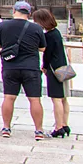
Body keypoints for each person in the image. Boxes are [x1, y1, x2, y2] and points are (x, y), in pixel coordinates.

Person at [0, 1, 48, 140]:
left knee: (9, 98)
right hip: (31, 67)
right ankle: (38, 131)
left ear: (14, 11)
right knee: (35, 100)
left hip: (10, 66)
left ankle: (6, 128)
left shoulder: (3, 25)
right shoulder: (36, 28)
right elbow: (42, 48)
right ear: (29, 13)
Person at [33, 8, 72, 138]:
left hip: (54, 69)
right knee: (63, 99)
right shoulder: (56, 33)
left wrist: (44, 66)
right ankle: (65, 124)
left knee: (56, 99)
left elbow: (47, 54)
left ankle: (58, 127)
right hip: (63, 67)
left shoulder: (48, 36)